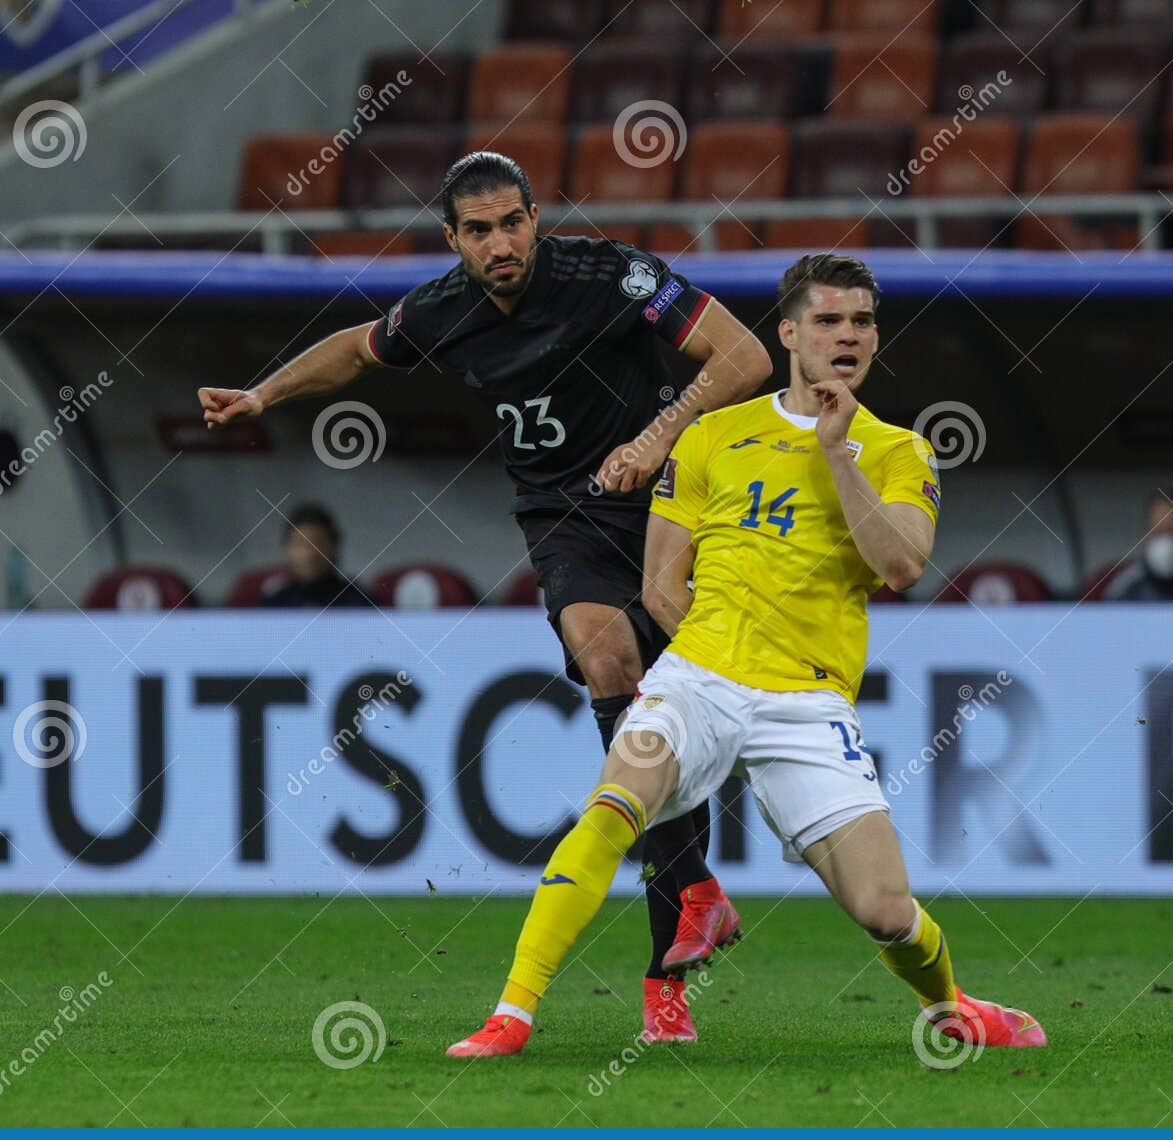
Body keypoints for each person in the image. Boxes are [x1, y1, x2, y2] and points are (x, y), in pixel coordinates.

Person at [198, 151, 774, 1043]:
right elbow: (357, 349)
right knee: (607, 657)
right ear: (452, 239)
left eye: (512, 222)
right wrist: (264, 392)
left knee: (664, 724)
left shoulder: (609, 274)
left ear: (535, 218)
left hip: (669, 506)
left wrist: (661, 436)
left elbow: (745, 354)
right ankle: (695, 900)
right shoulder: (442, 310)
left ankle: (675, 967)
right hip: (564, 520)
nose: (500, 243)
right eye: (479, 230)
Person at [445, 253, 1046, 1059]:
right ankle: (511, 1015)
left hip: (808, 706)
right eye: (829, 320)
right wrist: (719, 654)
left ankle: (952, 1004)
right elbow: (662, 587)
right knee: (612, 808)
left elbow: (900, 566)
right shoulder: (714, 435)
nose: (848, 335)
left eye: (862, 321)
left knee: (884, 910)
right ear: (789, 332)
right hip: (700, 679)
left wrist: (837, 452)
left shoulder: (898, 450)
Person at [258, 504, 371, 608]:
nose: (309, 554)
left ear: (334, 546)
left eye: (318, 543)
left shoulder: (359, 601)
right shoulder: (273, 603)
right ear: (286, 549)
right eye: (300, 543)